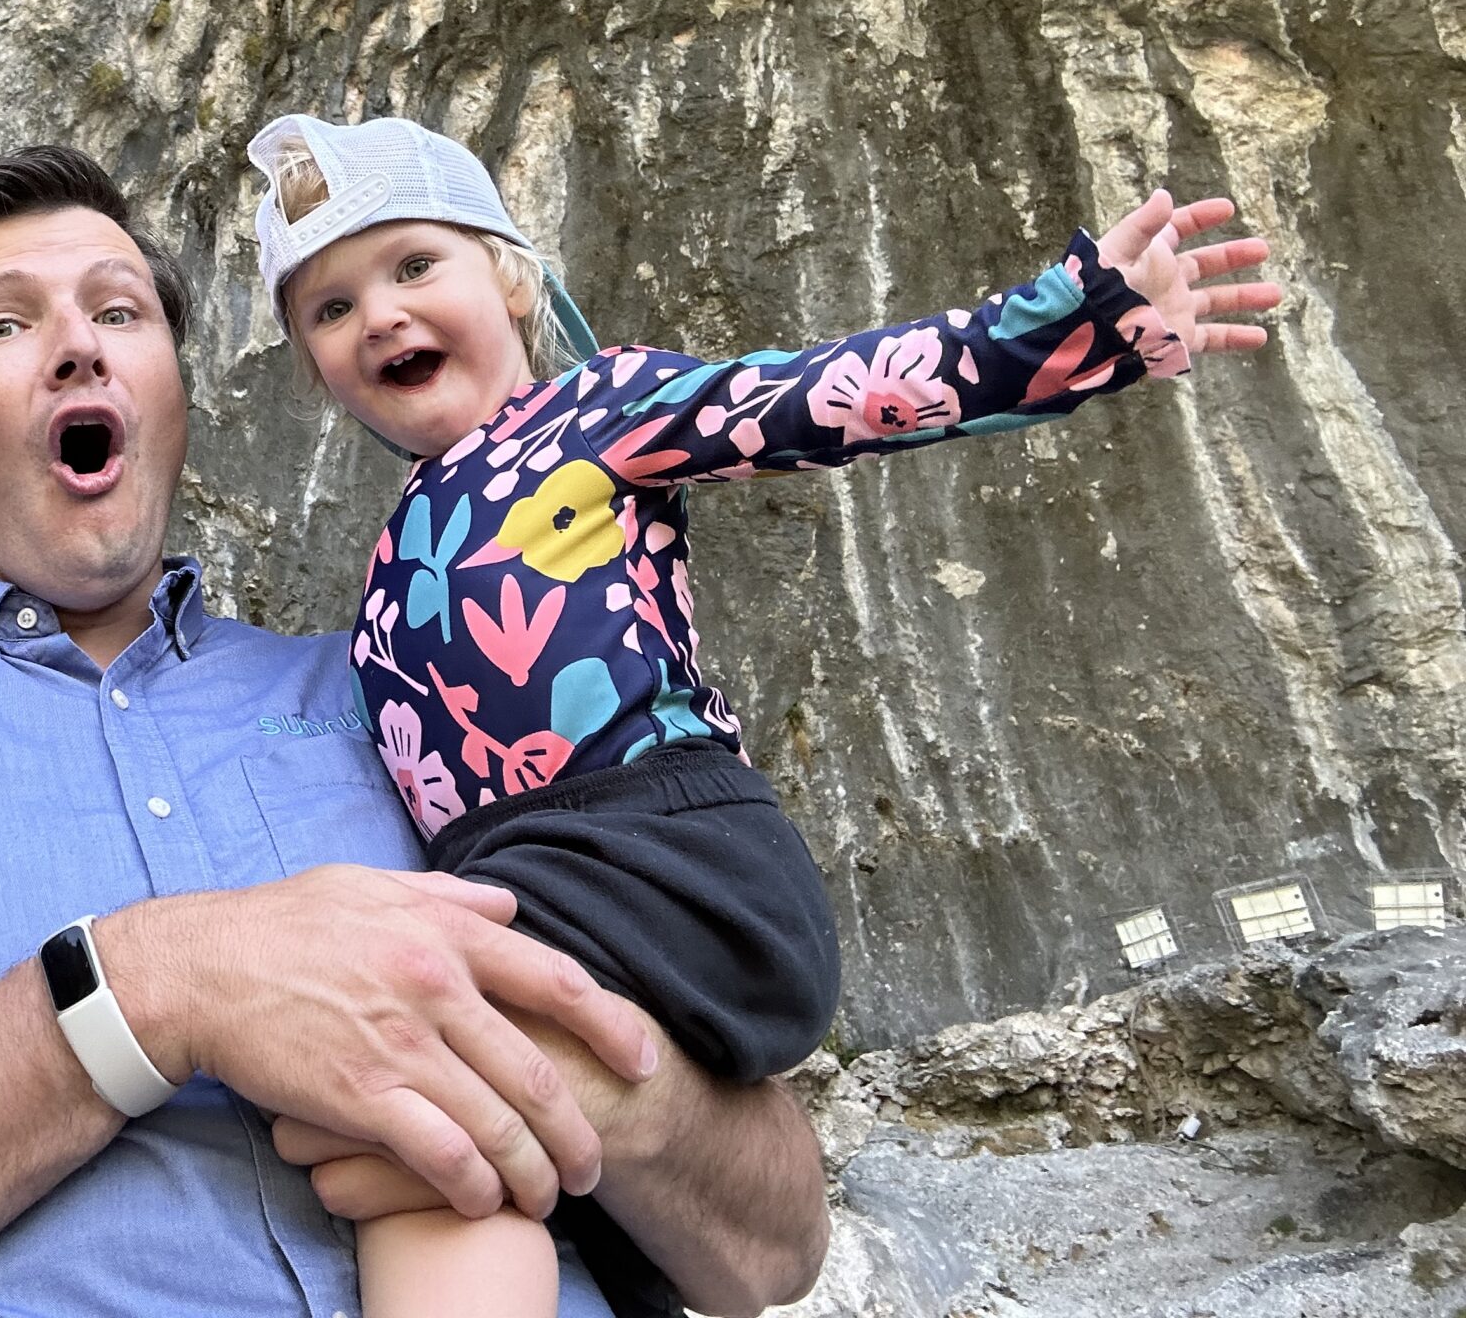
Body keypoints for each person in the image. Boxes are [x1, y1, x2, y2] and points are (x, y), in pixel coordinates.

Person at [0, 145, 830, 1318]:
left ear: (175, 388)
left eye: (121, 314)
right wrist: (145, 992)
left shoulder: (407, 696)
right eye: (5, 323)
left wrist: (571, 1083)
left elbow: (776, 1243)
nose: (77, 348)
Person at [242, 112, 1280, 1318]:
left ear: (511, 278)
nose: (378, 314)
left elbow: (821, 397)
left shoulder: (593, 412)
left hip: (657, 854)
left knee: (416, 1041)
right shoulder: (392, 550)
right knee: (462, 1160)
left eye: (415, 265)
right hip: (532, 886)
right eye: (331, 307)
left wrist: (1073, 324)